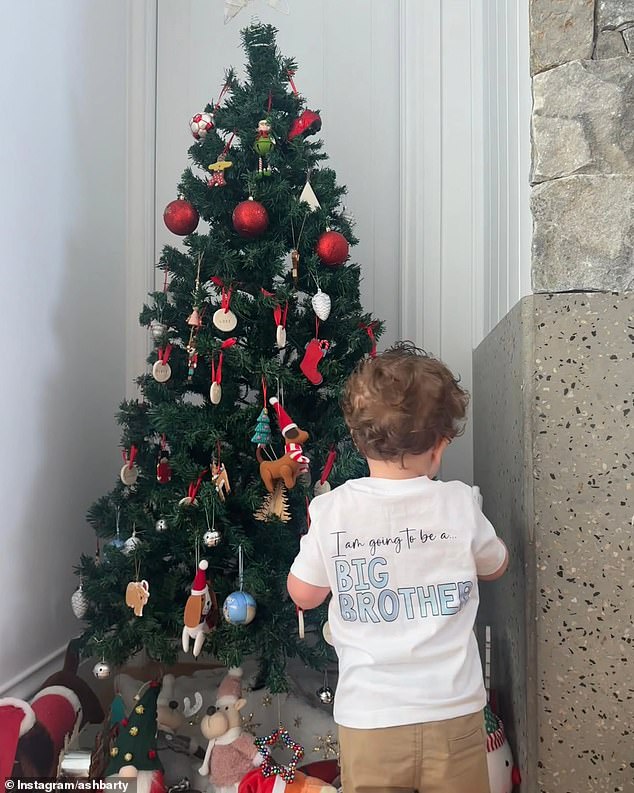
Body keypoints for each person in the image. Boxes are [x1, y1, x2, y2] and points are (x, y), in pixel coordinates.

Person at [287, 342, 508, 793]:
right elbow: (497, 563)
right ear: (440, 445)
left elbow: (303, 593)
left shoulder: (332, 510)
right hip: (454, 710)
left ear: (357, 437)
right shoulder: (459, 503)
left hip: (371, 717)